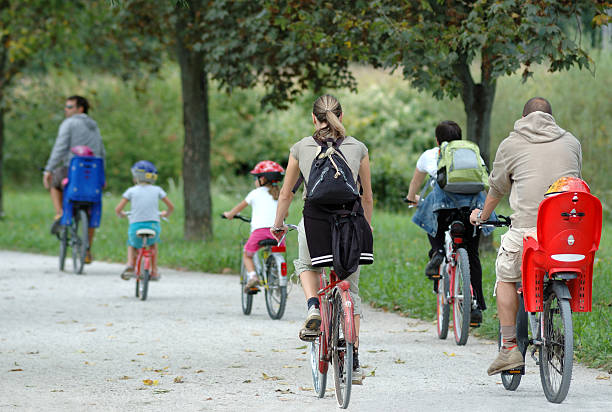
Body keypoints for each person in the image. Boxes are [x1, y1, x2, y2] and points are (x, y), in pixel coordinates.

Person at [469, 97, 582, 375]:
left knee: (506, 276)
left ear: (522, 118)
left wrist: (482, 216)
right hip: (569, 234)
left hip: (528, 234)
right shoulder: (572, 143)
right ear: (551, 118)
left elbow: (497, 189)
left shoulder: (511, 144)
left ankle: (509, 349)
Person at [269, 94, 374, 384]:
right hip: (350, 222)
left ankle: (314, 306)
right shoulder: (358, 148)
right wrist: (366, 226)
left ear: (313, 118)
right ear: (343, 115)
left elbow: (286, 193)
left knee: (307, 265)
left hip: (314, 221)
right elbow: (366, 196)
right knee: (350, 290)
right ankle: (353, 362)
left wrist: (278, 224)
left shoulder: (301, 147)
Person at [407, 121, 491, 324]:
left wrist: (411, 198)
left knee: (429, 215)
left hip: (444, 208)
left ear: (437, 140)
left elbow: (415, 184)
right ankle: (477, 304)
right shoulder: (473, 154)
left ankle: (437, 252)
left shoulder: (430, 155)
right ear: (460, 138)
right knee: (472, 255)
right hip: (472, 208)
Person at [43, 95, 106, 263]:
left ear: (80, 109)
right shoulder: (94, 125)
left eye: (70, 107)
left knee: (54, 182)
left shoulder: (69, 124)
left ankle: (59, 213)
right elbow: (102, 151)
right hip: (93, 174)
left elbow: (60, 148)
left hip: (73, 171)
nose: (66, 110)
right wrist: (102, 175)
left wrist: (48, 169)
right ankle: (87, 250)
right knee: (92, 208)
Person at [223, 160, 286, 292]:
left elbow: (237, 209)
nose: (255, 181)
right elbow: (285, 214)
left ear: (262, 179)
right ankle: (276, 274)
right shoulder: (281, 194)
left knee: (247, 254)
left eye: (255, 178)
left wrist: (229, 214)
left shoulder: (254, 193)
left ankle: (253, 277)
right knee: (276, 251)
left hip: (260, 232)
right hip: (279, 232)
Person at [115, 160, 174, 281]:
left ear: (136, 176)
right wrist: (165, 214)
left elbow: (118, 209)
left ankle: (130, 264)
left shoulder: (131, 191)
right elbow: (171, 207)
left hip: (136, 227)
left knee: (131, 243)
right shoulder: (158, 190)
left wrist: (121, 214)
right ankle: (154, 271)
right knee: (153, 244)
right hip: (153, 226)